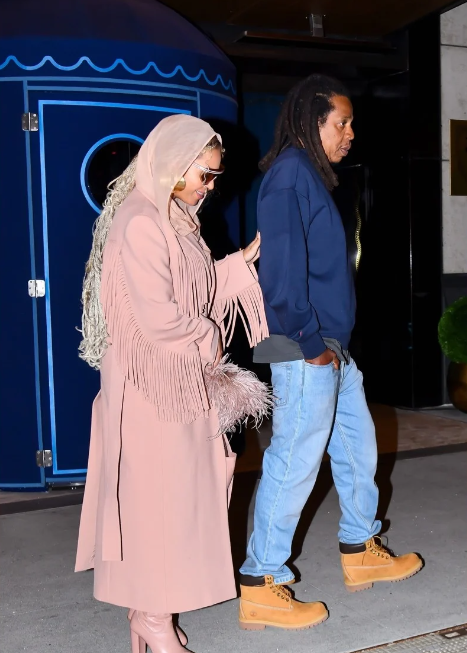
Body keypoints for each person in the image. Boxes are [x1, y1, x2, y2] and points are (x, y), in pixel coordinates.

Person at [75, 114, 268, 653]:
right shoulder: (140, 220)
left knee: (177, 502)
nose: (211, 187)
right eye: (205, 175)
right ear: (175, 167)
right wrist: (209, 337)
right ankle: (152, 617)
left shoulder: (175, 217)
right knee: (161, 504)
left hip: (175, 385)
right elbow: (158, 317)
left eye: (215, 177)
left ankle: (149, 615)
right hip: (151, 390)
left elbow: (193, 289)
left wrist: (236, 264)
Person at [238, 74, 423, 631]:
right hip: (306, 348)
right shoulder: (290, 174)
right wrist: (310, 344)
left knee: (357, 447)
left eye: (350, 123)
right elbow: (281, 273)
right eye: (341, 122)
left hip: (329, 347)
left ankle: (360, 549)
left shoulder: (310, 176)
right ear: (310, 120)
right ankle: (260, 582)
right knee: (295, 460)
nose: (350, 133)